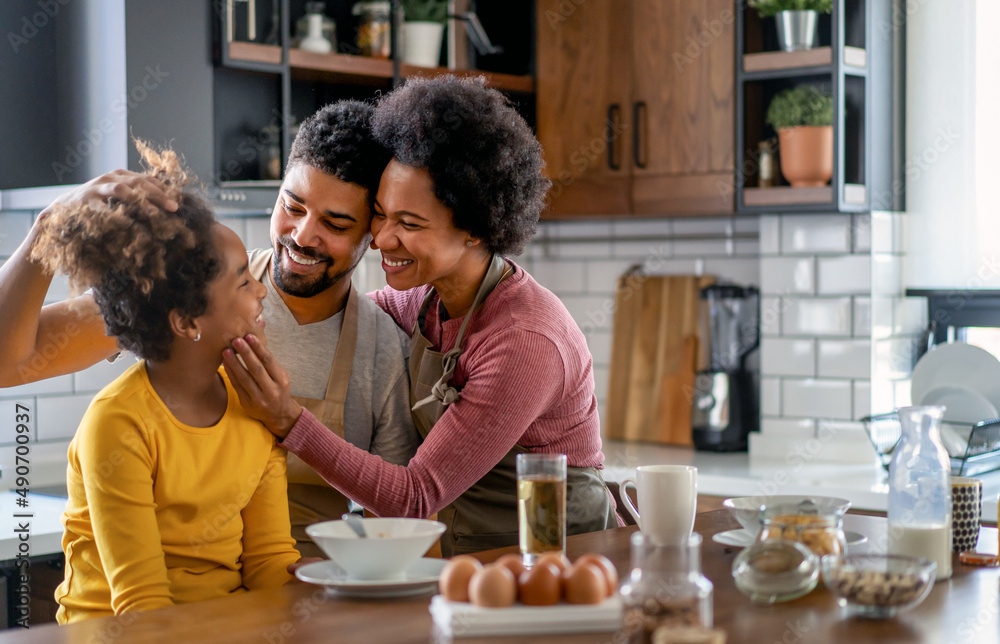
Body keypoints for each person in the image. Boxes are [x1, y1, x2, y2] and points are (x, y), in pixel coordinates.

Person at [0, 102, 421, 558]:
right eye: (292, 206)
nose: (302, 235)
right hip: (170, 594)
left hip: (300, 599)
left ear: (374, 232)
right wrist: (51, 224)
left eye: (335, 224)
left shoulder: (382, 349)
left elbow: (397, 529)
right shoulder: (192, 288)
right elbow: (10, 362)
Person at [225, 75, 622, 556]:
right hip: (469, 552)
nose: (384, 239)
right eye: (381, 214)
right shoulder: (424, 302)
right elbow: (339, 312)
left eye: (409, 224)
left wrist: (288, 419)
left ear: (475, 228)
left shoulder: (525, 340)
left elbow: (414, 497)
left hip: (554, 551)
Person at [36, 142, 300, 623]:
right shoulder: (118, 425)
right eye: (243, 281)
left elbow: (270, 563)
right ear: (186, 322)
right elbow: (142, 605)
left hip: (221, 628)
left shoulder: (255, 403)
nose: (261, 289)